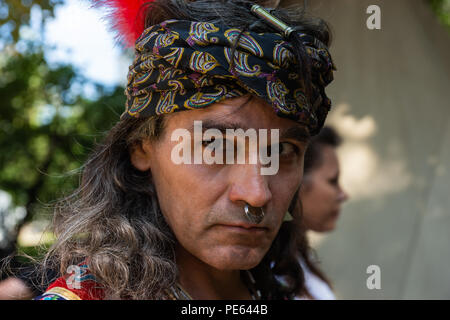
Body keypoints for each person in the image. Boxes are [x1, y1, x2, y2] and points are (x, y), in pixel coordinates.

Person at [34, 0, 336, 300]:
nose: (257, 194)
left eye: (283, 150)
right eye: (215, 146)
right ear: (141, 147)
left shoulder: (289, 291)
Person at [296, 126, 349, 299]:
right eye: (333, 181)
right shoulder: (265, 268)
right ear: (296, 183)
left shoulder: (297, 256)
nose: (343, 195)